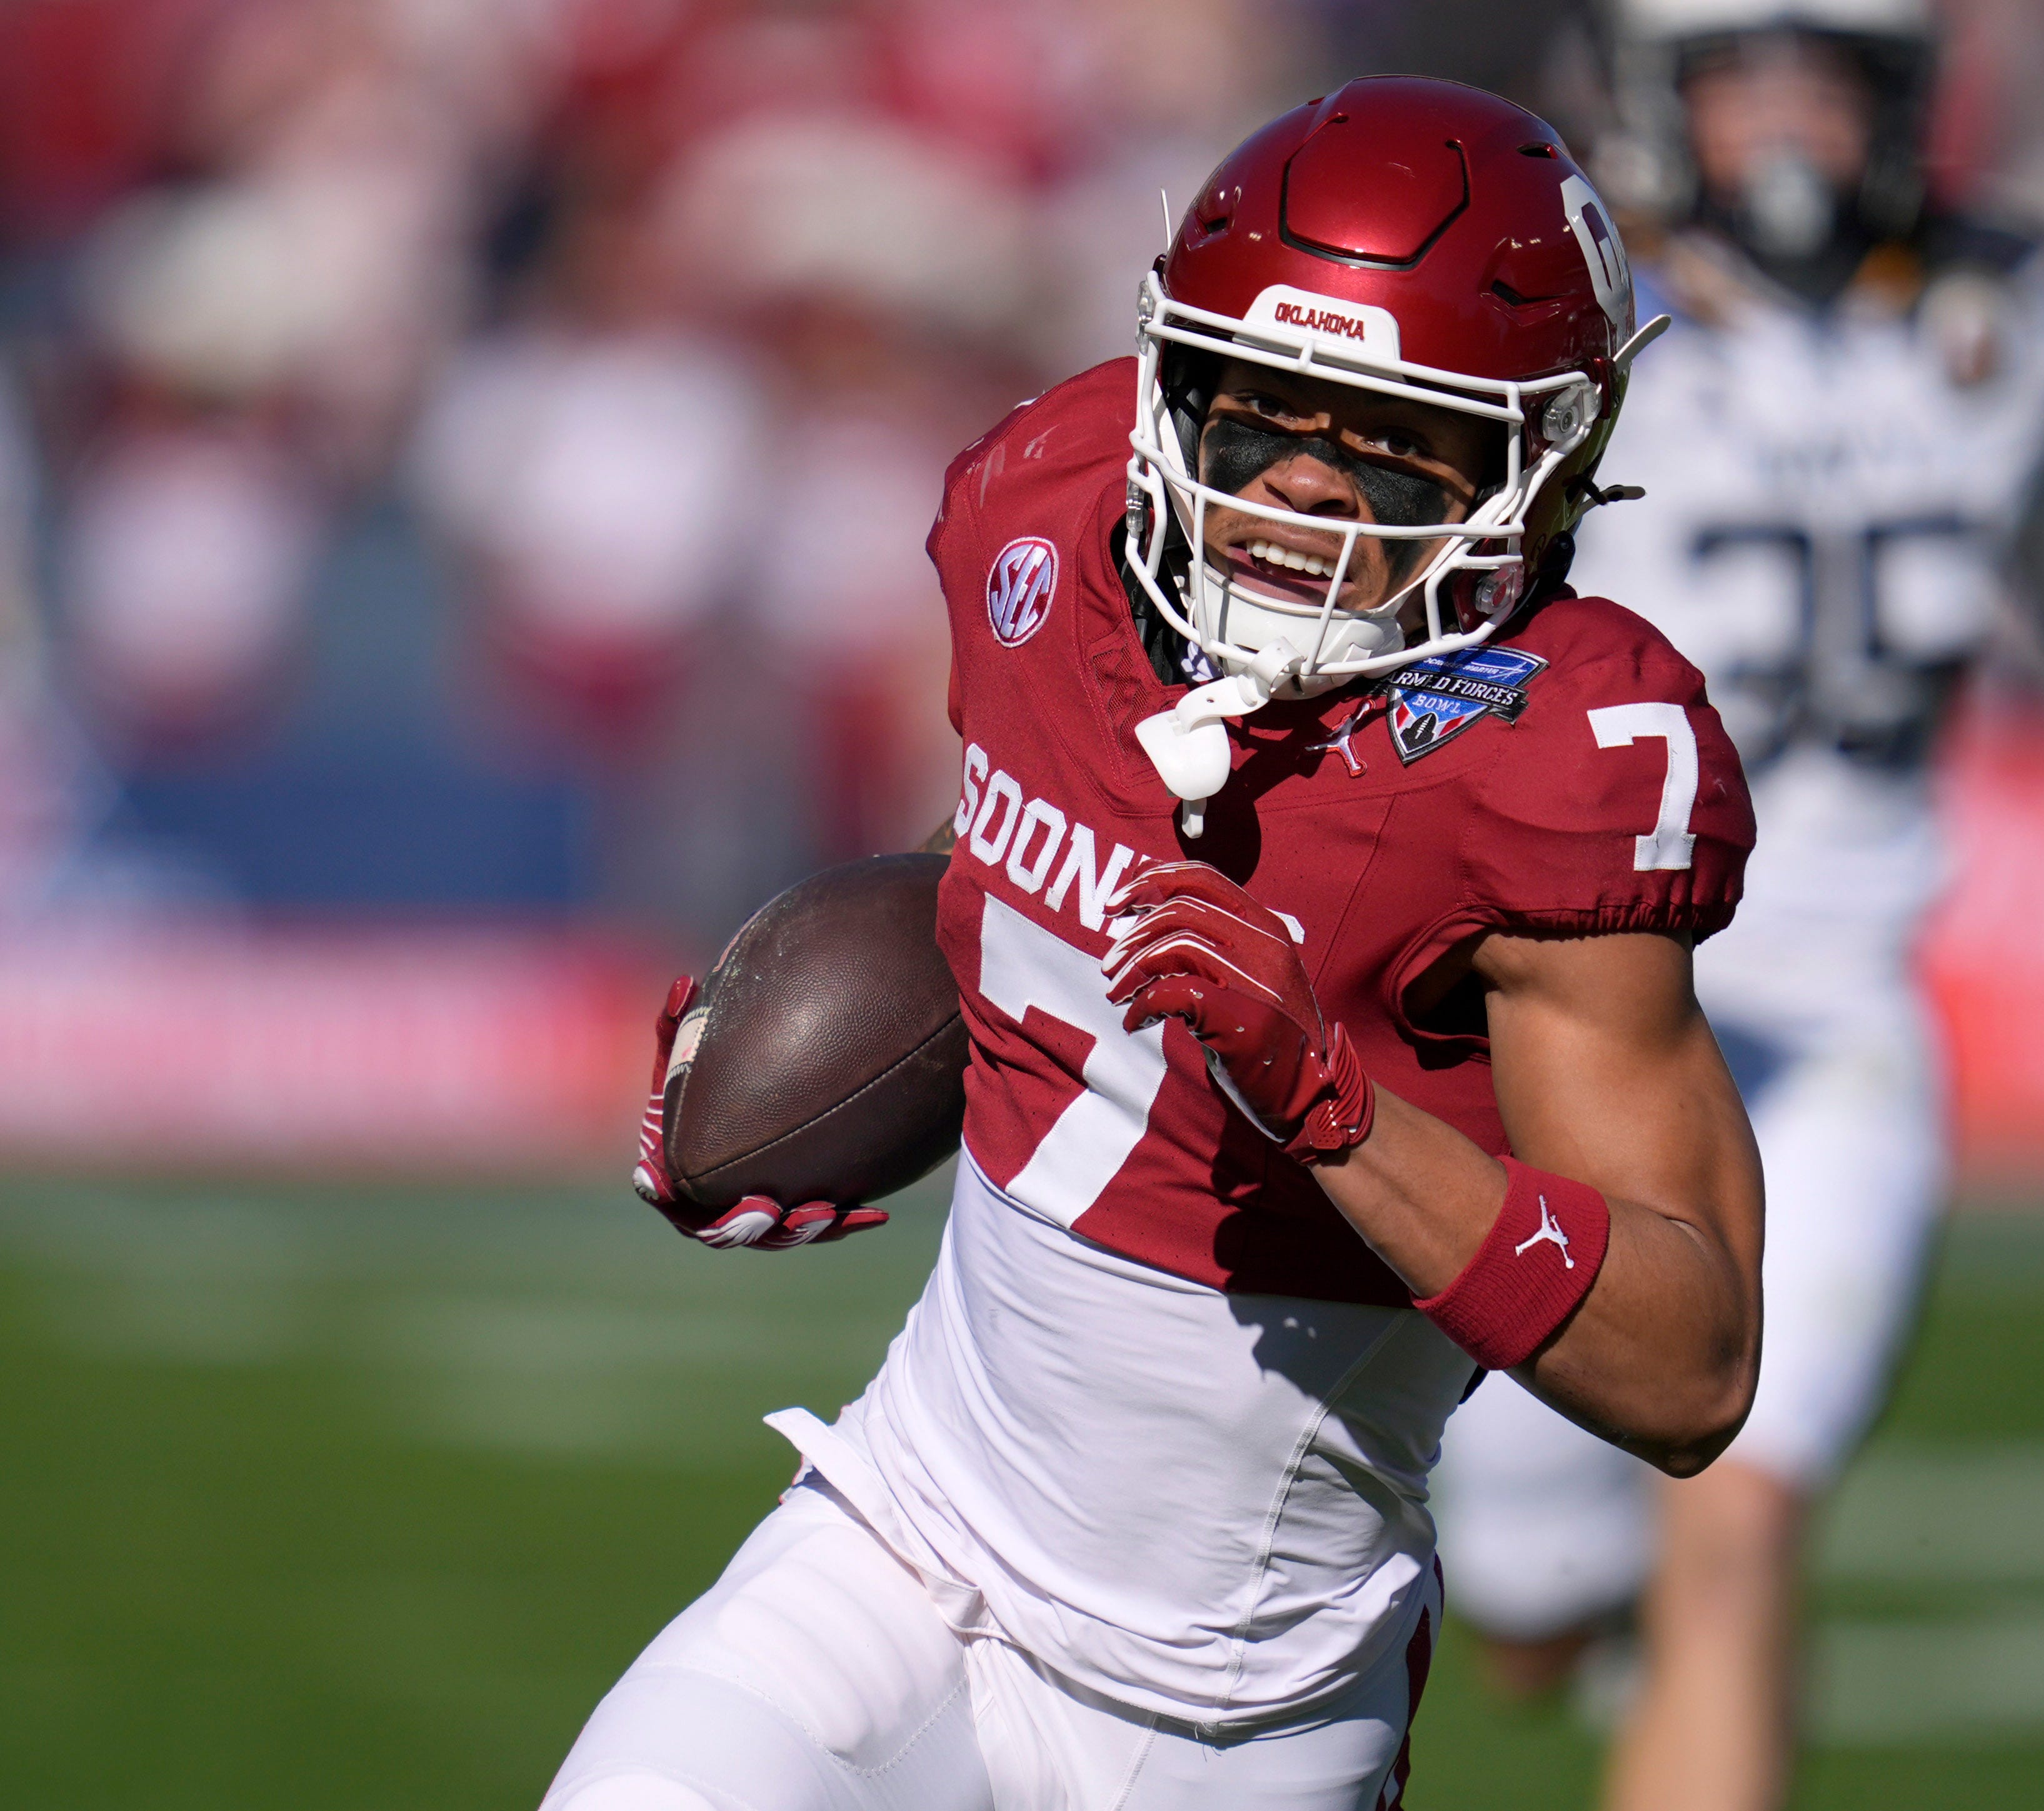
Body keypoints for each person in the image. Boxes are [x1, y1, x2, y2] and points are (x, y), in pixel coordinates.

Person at [543, 77, 1766, 1811]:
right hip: (899, 1546)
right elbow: (1000, 875)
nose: (1292, 490)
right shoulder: (1046, 509)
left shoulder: (1552, 755)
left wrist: (1335, 1108)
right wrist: (786, 1062)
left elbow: (1691, 1360)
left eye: (1383, 436)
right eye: (1256, 408)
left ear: (1543, 461)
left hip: (1238, 1713)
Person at [1430, 6, 2044, 1810]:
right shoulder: (1568, 318)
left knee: (1738, 1519)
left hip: (1829, 1026)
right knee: (1514, 1600)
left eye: (1833, 80)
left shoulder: (1992, 325)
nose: (1793, 127)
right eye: (1746, 81)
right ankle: (1576, 1618)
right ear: (1664, 105)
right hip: (1569, 1005)